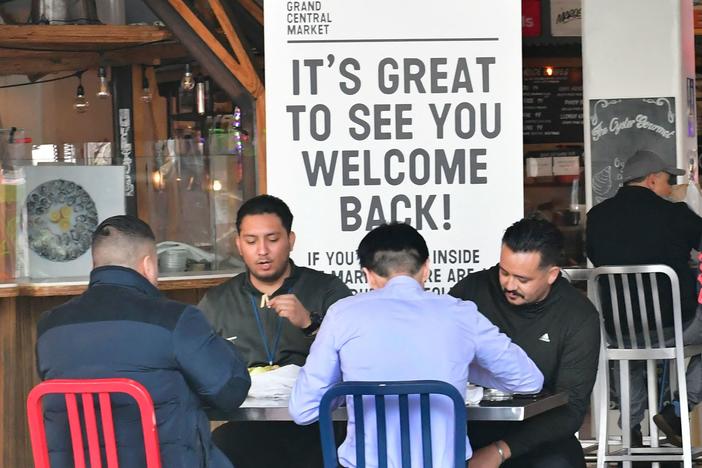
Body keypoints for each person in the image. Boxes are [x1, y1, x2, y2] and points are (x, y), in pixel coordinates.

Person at [289, 222, 544, 468]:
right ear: (426, 268)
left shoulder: (341, 314)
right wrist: (459, 367)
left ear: (368, 275)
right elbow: (528, 381)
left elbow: (304, 410)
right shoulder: (461, 313)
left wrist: (347, 383)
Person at [36, 215, 251, 468]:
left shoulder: (50, 327)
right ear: (148, 265)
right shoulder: (174, 320)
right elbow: (230, 392)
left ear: (95, 265)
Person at [198, 194, 352, 467]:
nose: (262, 251)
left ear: (290, 240)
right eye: (251, 241)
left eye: (272, 239)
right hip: (247, 428)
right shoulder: (217, 301)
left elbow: (355, 355)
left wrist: (310, 323)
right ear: (238, 244)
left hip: (315, 425)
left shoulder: (326, 289)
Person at [449, 217, 600, 468]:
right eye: (503, 272)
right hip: (468, 430)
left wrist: (499, 451)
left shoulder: (578, 315)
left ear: (551, 274)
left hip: (539, 435)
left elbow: (572, 410)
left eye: (522, 279)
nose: (509, 284)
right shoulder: (471, 292)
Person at [586, 149, 702, 446]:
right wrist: (685, 204)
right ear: (652, 181)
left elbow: (595, 256)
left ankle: (631, 431)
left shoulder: (596, 217)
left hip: (619, 330)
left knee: (632, 349)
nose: (668, 189)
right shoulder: (673, 213)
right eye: (666, 182)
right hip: (672, 327)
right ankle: (677, 410)